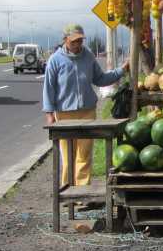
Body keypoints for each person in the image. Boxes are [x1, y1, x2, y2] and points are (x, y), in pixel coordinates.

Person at [43, 24, 129, 187]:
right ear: (65, 40)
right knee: (68, 155)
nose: (77, 44)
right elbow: (49, 88)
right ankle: (68, 189)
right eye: (74, 41)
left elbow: (100, 79)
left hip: (87, 113)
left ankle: (82, 191)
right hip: (65, 114)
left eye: (80, 41)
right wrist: (49, 114)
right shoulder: (55, 60)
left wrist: (121, 71)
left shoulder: (88, 56)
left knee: (84, 155)